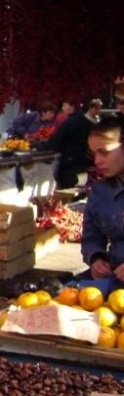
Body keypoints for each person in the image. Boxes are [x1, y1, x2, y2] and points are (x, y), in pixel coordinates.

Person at [79, 117, 124, 296]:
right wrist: (96, 258)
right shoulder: (99, 192)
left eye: (104, 152)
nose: (97, 161)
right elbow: (91, 238)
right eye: (93, 154)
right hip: (112, 284)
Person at [44, 102, 95, 189]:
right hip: (86, 166)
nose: (63, 108)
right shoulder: (89, 123)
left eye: (65, 105)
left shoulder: (70, 122)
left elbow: (54, 144)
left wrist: (39, 147)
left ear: (73, 106)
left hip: (70, 167)